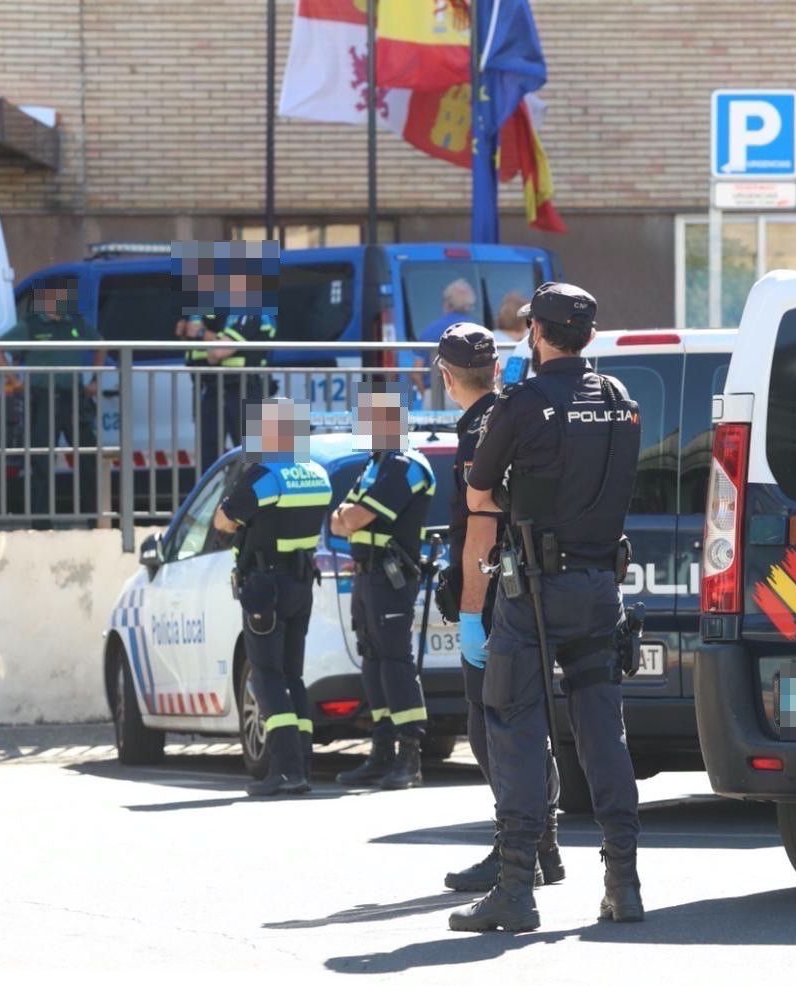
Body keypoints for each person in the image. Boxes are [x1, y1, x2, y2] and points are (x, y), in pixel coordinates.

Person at [451, 281, 646, 933]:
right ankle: (624, 882)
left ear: (537, 333)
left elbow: (480, 489)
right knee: (603, 734)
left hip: (532, 588)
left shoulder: (524, 403)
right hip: (599, 588)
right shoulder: (620, 403)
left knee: (516, 727)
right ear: (586, 335)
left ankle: (515, 887)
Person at [433, 322, 566, 893]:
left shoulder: (478, 432)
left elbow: (481, 529)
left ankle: (515, 849)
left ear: (445, 376)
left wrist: (468, 615)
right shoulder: (513, 414)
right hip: (528, 589)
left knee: (493, 730)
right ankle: (545, 846)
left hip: (493, 599)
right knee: (524, 724)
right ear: (493, 370)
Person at [213, 398, 332, 797]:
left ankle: (284, 771)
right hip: (301, 585)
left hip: (265, 587)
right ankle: (302, 764)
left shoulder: (265, 476)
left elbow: (224, 520)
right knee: (293, 676)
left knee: (267, 676)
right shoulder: (318, 473)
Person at [329, 390, 437, 790]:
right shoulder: (376, 464)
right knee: (373, 658)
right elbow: (339, 520)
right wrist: (348, 519)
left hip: (391, 577)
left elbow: (353, 517)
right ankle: (382, 751)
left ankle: (409, 755)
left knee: (394, 660)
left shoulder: (405, 466)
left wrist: (348, 519)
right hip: (367, 574)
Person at [0, 282, 105, 527]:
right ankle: (42, 525)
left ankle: (95, 520)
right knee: (41, 461)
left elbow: (101, 346)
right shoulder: (32, 325)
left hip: (73, 397)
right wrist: (14, 379)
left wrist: (95, 379)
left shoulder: (74, 323)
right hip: (42, 399)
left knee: (88, 457)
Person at [190, 271, 279, 470]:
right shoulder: (236, 314)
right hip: (226, 389)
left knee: (256, 460)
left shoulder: (250, 312)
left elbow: (217, 353)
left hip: (246, 390)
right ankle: (218, 500)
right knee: (213, 455)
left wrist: (202, 333)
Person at [417, 278, 479, 343]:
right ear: (469, 307)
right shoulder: (479, 332)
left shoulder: (430, 331)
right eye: (472, 305)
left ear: (446, 304)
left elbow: (418, 351)